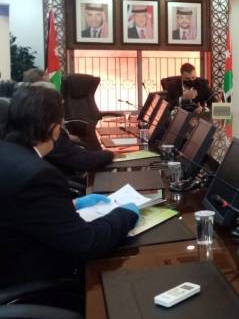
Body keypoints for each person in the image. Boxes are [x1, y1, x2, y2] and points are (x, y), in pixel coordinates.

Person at [0, 85, 139, 288]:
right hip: (33, 277)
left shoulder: (8, 152)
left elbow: (20, 210)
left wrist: (71, 205)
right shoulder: (38, 175)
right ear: (53, 129)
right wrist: (125, 214)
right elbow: (87, 243)